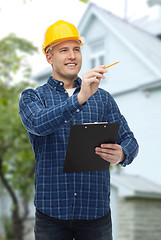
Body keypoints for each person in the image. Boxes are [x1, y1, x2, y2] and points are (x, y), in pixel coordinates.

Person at [19, 20, 139, 240]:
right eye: (63, 50)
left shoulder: (103, 99)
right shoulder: (33, 97)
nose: (72, 55)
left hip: (96, 215)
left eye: (76, 49)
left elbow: (130, 140)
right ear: (49, 57)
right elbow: (38, 123)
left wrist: (122, 153)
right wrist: (80, 98)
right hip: (51, 216)